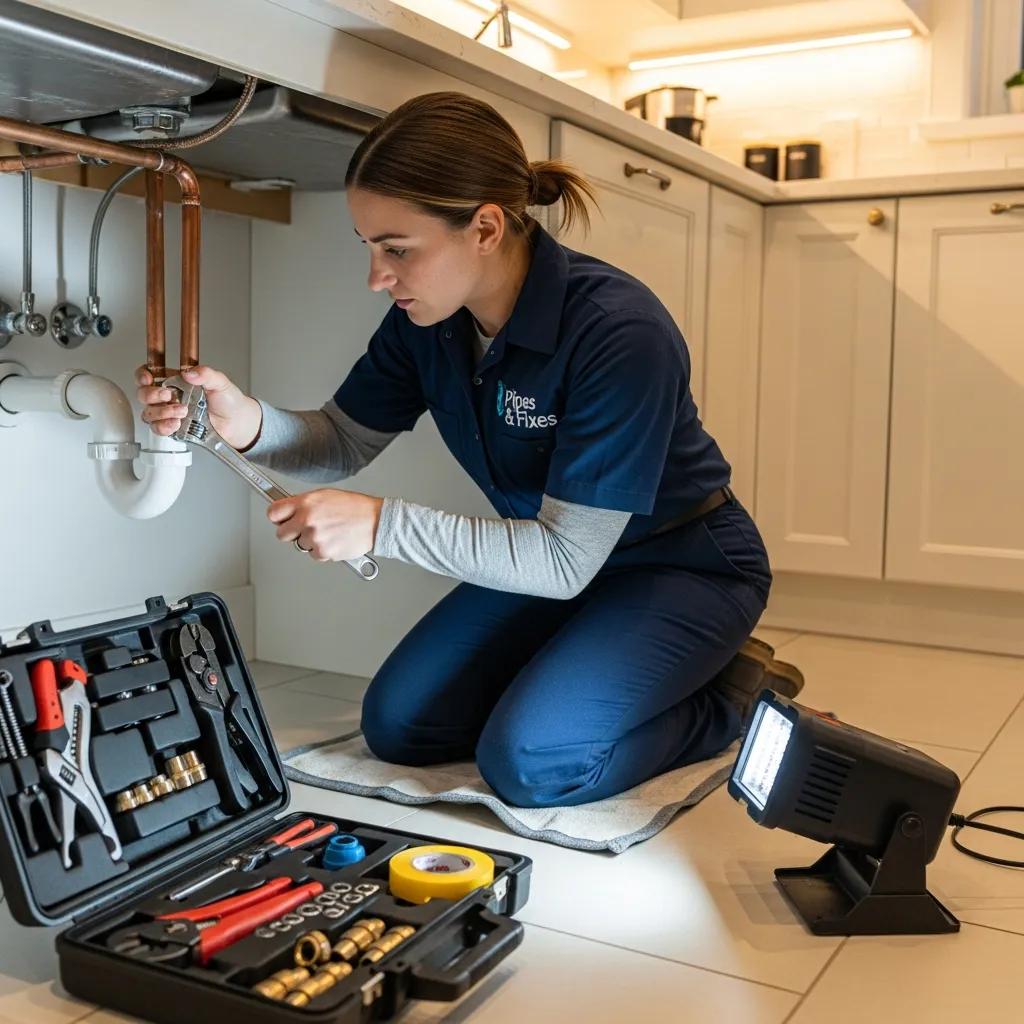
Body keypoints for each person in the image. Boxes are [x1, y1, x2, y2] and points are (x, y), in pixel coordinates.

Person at [137, 91, 802, 809]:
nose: (376, 276)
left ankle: (733, 695)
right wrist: (242, 419)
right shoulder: (426, 321)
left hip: (681, 565)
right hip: (550, 566)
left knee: (532, 763)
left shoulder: (618, 331)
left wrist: (380, 525)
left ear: (485, 227)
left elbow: (565, 557)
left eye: (397, 249)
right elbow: (342, 441)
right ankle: (588, 676)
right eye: (367, 246)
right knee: (400, 726)